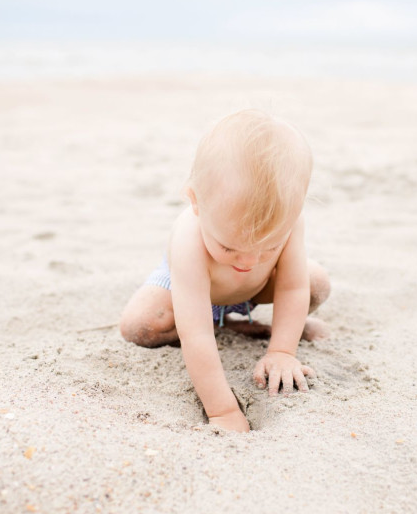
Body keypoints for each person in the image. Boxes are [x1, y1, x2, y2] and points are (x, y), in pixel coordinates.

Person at [119, 109, 330, 432]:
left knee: (315, 282)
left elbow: (292, 288)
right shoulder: (190, 236)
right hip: (192, 292)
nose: (247, 262)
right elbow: (196, 334)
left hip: (254, 290)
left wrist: (282, 352)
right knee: (140, 325)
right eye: (229, 247)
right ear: (195, 201)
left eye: (268, 247)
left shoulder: (289, 225)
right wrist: (223, 411)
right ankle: (229, 323)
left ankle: (278, 325)